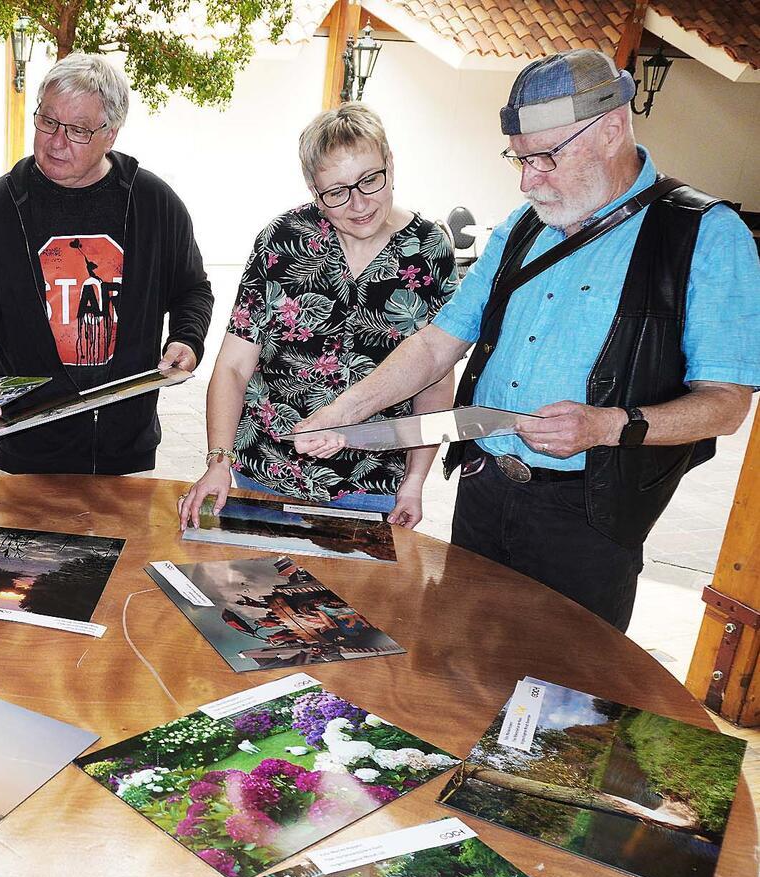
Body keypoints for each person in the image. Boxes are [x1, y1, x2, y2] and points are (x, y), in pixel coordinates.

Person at [292, 50, 759, 631]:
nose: (526, 179)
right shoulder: (521, 228)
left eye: (545, 158)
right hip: (483, 486)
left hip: (589, 514)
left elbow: (727, 405)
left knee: (566, 690)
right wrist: (343, 414)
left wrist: (607, 425)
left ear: (612, 129)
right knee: (459, 658)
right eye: (518, 159)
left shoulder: (706, 237)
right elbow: (439, 343)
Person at [178, 103, 456, 530]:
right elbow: (234, 366)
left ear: (391, 165)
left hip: (372, 485)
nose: (358, 204)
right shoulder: (282, 239)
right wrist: (218, 460)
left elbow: (436, 382)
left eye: (370, 180)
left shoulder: (430, 248)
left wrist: (415, 482)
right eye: (336, 192)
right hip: (263, 473)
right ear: (313, 188)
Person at [0, 52, 213, 476]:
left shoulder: (154, 204)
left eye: (78, 130)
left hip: (128, 449)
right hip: (29, 448)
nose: (56, 140)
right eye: (47, 121)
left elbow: (192, 287)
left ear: (111, 134)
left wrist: (187, 338)